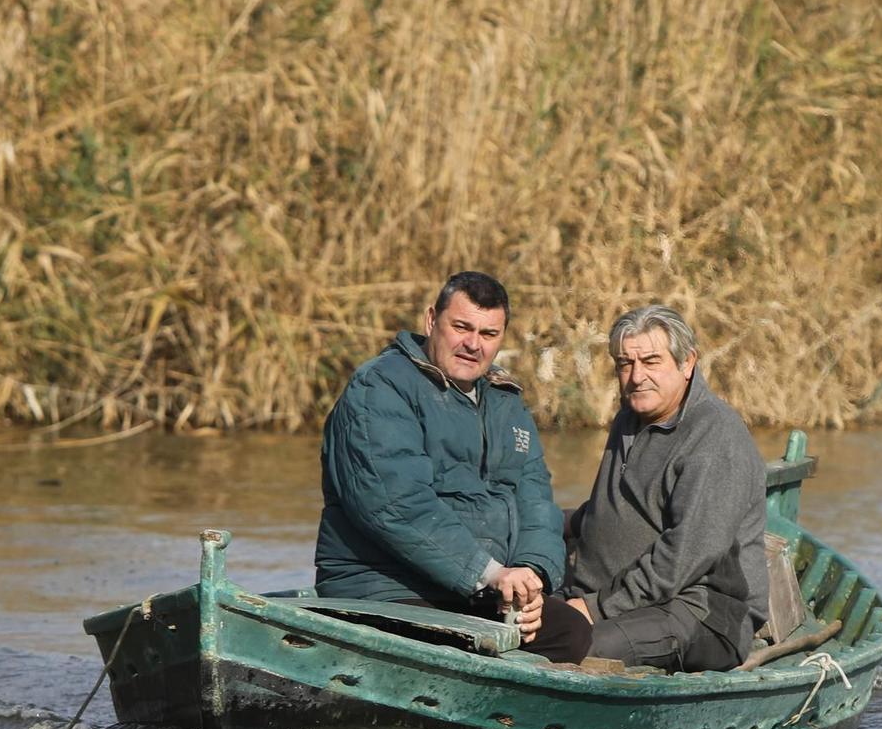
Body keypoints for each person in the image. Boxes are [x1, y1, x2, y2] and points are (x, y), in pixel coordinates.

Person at [314, 271, 590, 663]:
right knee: (451, 647)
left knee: (571, 631)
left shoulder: (506, 402)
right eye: (461, 327)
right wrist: (489, 573)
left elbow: (536, 502)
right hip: (387, 588)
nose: (473, 344)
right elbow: (396, 505)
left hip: (477, 591)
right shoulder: (378, 389)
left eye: (488, 334)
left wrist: (532, 579)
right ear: (431, 321)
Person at [561, 305, 768, 673]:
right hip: (616, 600)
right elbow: (612, 512)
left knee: (574, 645)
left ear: (687, 363)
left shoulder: (715, 436)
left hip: (702, 613)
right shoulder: (630, 418)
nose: (636, 376)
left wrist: (593, 609)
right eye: (625, 363)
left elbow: (683, 557)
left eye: (651, 361)